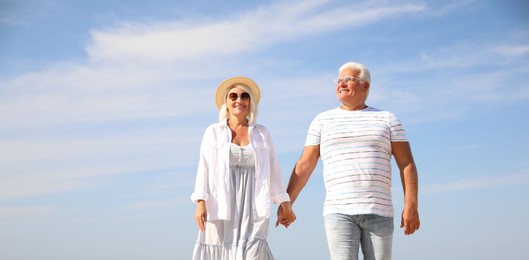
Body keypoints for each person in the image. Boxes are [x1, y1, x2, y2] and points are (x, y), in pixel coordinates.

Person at [282, 61, 420, 260]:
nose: (341, 84)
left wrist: (411, 205)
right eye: (338, 81)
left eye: (349, 79)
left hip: (379, 211)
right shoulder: (322, 120)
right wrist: (287, 202)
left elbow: (406, 163)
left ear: (366, 86)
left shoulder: (388, 119)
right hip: (338, 211)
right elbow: (305, 164)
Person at [191, 76, 296, 260]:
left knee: (253, 253)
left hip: (254, 203)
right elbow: (204, 168)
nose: (239, 100)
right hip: (221, 202)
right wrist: (201, 203)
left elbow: (274, 171)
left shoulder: (262, 133)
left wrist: (285, 204)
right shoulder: (213, 132)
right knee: (220, 251)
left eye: (244, 96)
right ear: (226, 102)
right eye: (233, 96)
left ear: (250, 102)